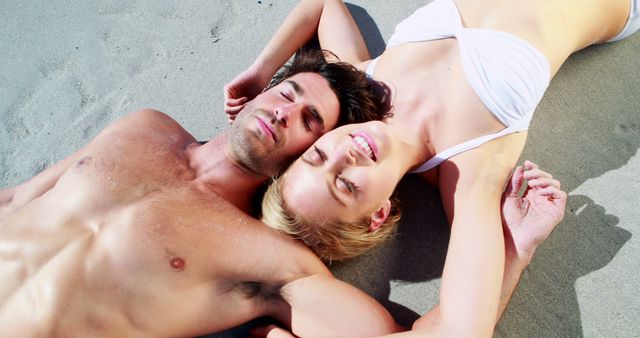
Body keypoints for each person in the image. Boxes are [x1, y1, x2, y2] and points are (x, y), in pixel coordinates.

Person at [224, 0, 637, 335]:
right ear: (378, 214)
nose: (342, 155)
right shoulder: (469, 173)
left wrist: (261, 73)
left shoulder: (363, 83)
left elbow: (324, 6)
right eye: (345, 185)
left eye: (317, 157)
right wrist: (514, 251)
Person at [0, 50, 399, 336]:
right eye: (287, 93)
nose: (284, 112)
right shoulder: (146, 125)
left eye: (308, 121)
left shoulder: (266, 255)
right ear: (260, 93)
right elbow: (19, 198)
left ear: (310, 155)